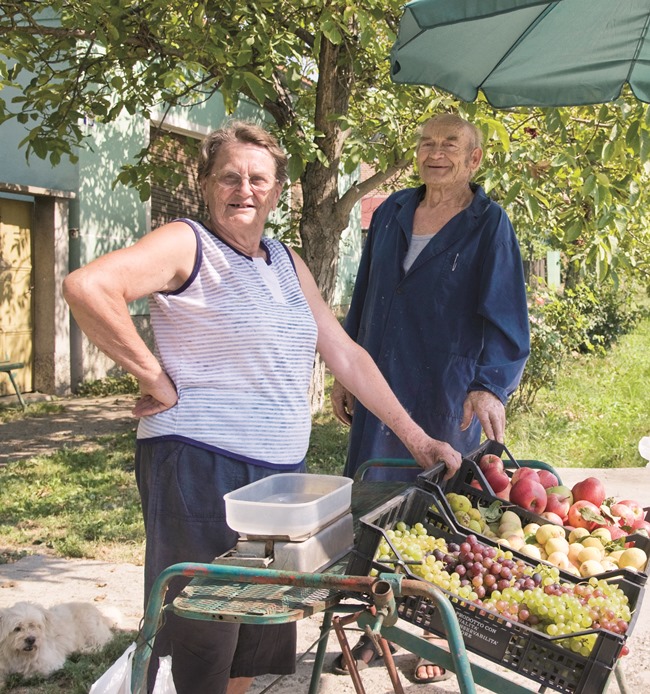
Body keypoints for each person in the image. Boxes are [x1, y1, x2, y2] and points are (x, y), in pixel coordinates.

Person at [62, 121, 462, 694]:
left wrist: (419, 439)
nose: (243, 189)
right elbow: (88, 286)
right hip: (201, 466)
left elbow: (346, 356)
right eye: (228, 177)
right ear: (205, 185)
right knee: (202, 630)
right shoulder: (187, 242)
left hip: (277, 480)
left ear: (277, 192)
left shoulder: (283, 260)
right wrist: (154, 376)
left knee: (259, 622)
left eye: (258, 179)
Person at [331, 113, 530, 683]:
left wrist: (491, 384)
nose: (434, 152)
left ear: (475, 160)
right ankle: (373, 632)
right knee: (372, 505)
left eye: (450, 144)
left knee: (440, 517)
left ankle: (438, 637)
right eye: (426, 143)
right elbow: (364, 293)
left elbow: (509, 318)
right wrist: (346, 371)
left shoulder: (488, 224)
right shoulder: (392, 211)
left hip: (445, 390)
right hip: (380, 380)